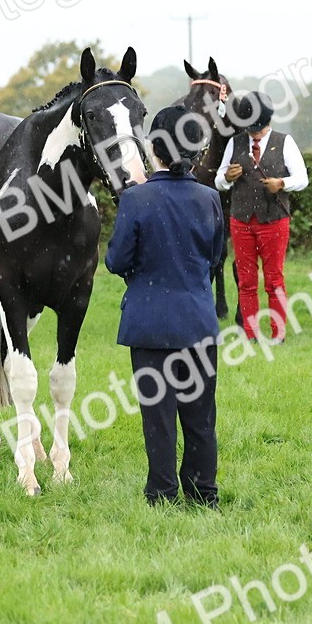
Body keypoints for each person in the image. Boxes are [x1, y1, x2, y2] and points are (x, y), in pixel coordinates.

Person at [106, 107, 225, 508]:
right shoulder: (209, 198)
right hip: (197, 321)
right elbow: (214, 257)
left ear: (154, 148)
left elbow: (116, 261)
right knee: (200, 418)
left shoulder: (136, 199)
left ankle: (161, 492)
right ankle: (203, 493)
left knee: (157, 419)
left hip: (150, 325)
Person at [214, 92, 309, 343]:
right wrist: (227, 178)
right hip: (241, 220)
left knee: (274, 279)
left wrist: (283, 183)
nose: (254, 134)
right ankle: (250, 334)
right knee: (246, 281)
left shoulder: (285, 142)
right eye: (250, 129)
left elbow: (302, 178)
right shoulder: (235, 143)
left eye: (258, 129)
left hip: (275, 220)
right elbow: (218, 180)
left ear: (268, 123)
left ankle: (278, 334)